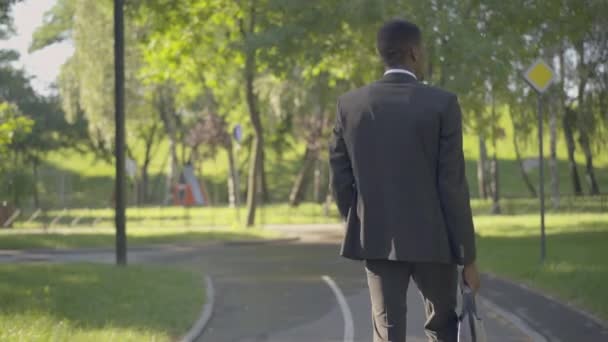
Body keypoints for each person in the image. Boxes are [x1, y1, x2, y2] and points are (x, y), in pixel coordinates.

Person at [329, 19, 480, 342]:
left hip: (378, 239)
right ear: (413, 52)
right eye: (422, 51)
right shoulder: (442, 104)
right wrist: (467, 256)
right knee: (442, 329)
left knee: (387, 332)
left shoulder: (350, 105)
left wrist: (360, 220)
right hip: (436, 242)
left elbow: (341, 178)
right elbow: (452, 185)